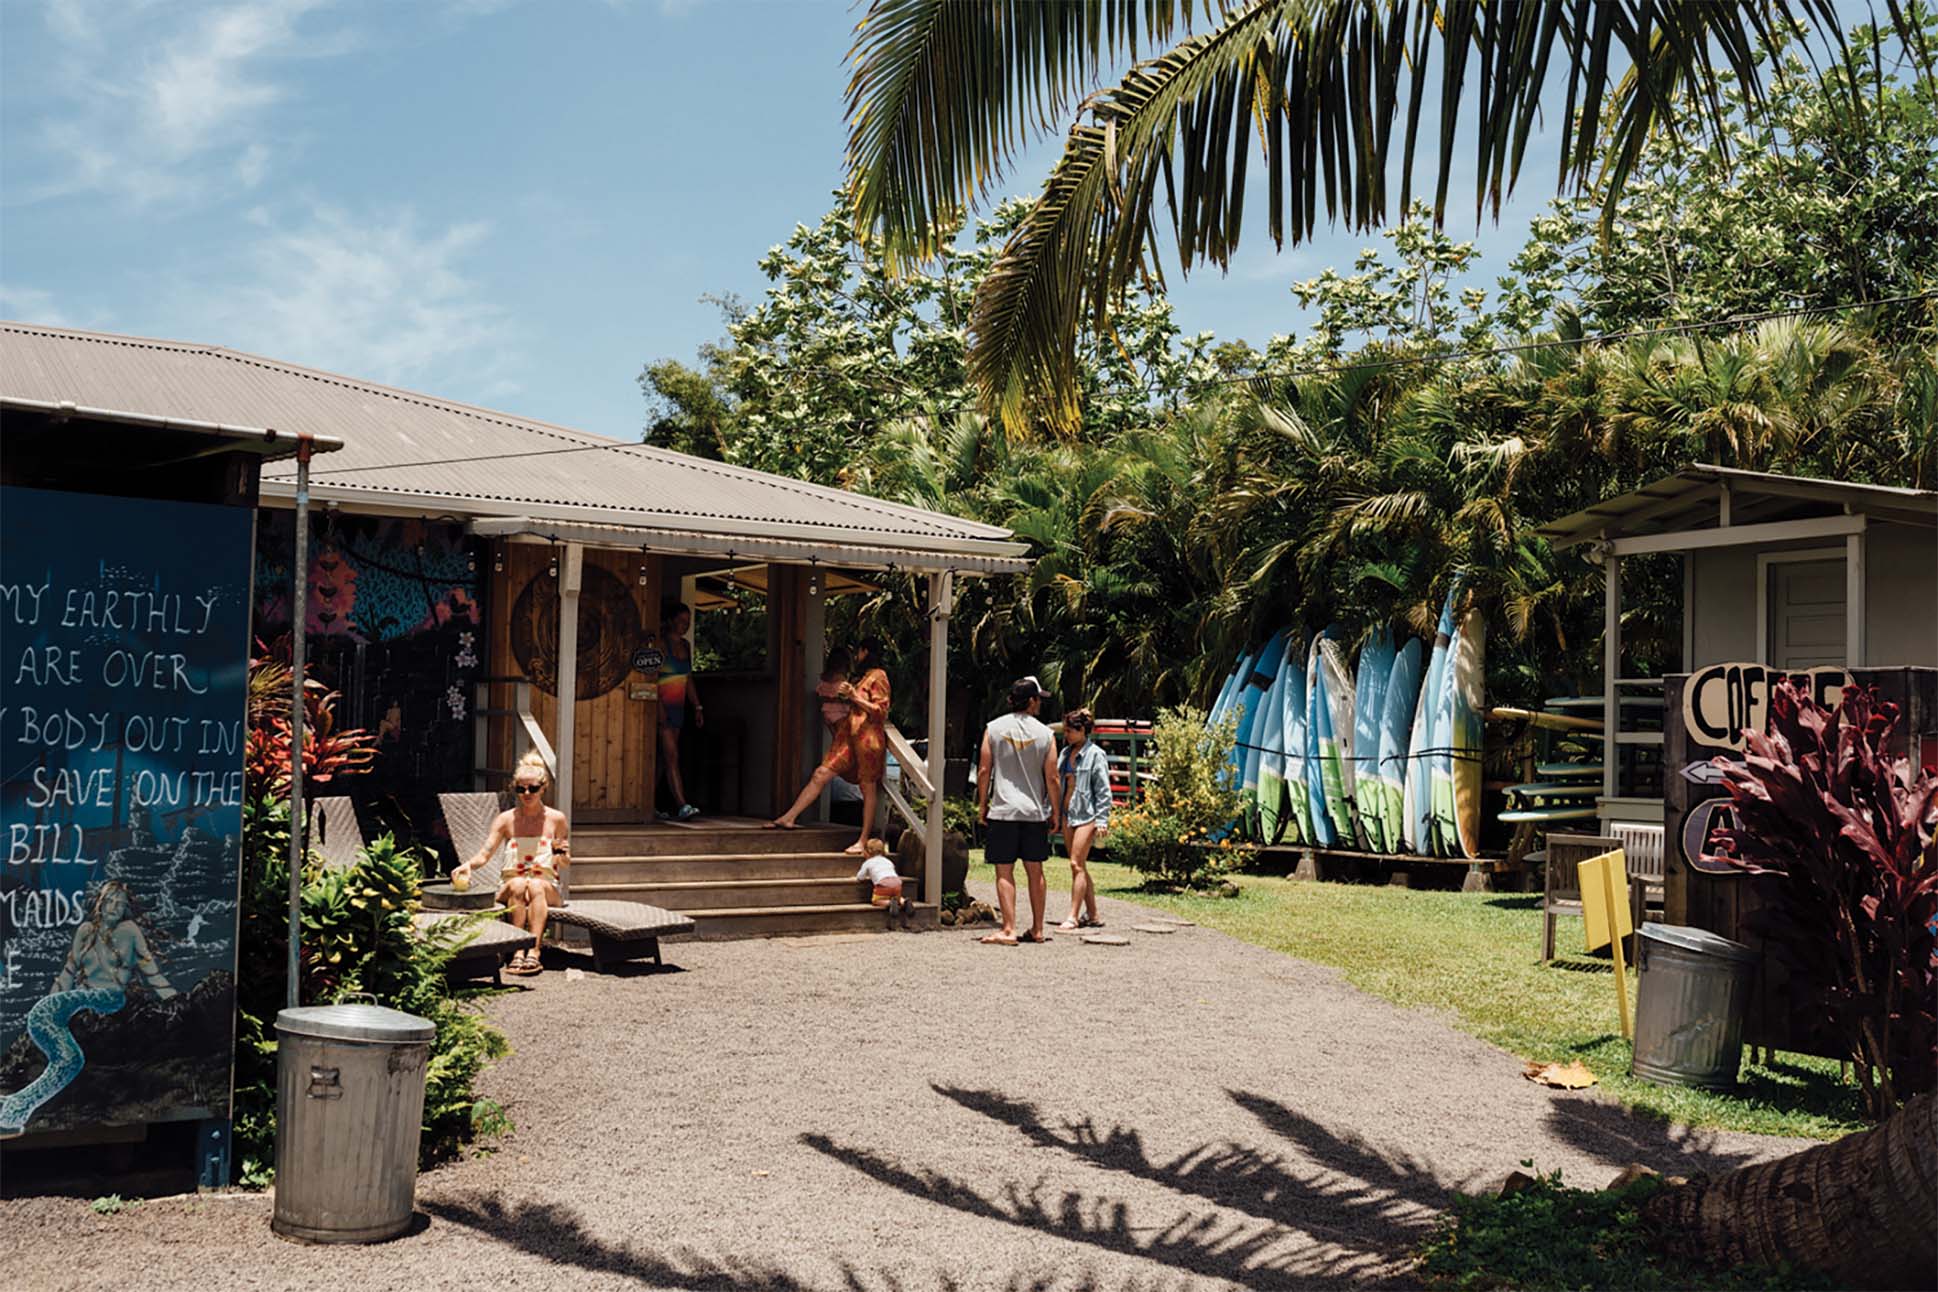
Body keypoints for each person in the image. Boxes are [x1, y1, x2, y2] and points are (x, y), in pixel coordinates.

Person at [454, 750, 571, 976]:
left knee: (535, 885)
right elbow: (485, 853)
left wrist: (564, 856)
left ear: (543, 788)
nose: (526, 793)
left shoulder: (556, 819)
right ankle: (517, 951)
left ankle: (534, 952)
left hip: (546, 886)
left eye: (533, 789)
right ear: (515, 789)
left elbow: (561, 861)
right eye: (521, 789)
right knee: (519, 884)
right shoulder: (506, 819)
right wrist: (468, 865)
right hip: (512, 884)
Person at [772, 636, 891, 854]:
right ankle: (789, 817)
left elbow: (880, 711)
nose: (857, 656)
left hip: (868, 739)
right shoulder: (864, 677)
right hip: (849, 736)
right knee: (821, 773)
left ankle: (863, 840)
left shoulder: (879, 676)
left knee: (867, 786)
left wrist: (854, 696)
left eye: (859, 652)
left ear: (865, 651)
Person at [977, 677, 1060, 946]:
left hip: (1003, 810)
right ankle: (1037, 929)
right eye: (1039, 700)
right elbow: (1053, 777)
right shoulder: (1046, 734)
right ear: (1033, 700)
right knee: (1035, 870)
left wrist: (982, 804)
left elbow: (984, 770)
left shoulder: (994, 728)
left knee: (1004, 870)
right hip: (1034, 812)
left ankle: (1009, 928)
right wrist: (1055, 811)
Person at [1055, 709, 1112, 931]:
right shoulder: (1064, 754)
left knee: (1075, 864)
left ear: (1082, 730)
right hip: (1068, 814)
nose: (1066, 735)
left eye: (1069, 731)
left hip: (1086, 815)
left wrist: (1102, 820)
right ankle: (1094, 914)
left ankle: (1073, 916)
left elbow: (1103, 790)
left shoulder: (1095, 755)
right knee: (1080, 866)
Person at [656, 600, 705, 821]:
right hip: (663, 706)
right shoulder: (661, 644)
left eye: (688, 621)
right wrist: (658, 708)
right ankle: (682, 805)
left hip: (679, 707)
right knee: (672, 756)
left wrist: (697, 706)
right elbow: (652, 678)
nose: (685, 625)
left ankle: (650, 804)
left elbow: (688, 678)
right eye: (681, 621)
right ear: (671, 621)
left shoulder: (686, 646)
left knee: (663, 760)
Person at [853, 837, 912, 930]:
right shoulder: (888, 861)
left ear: (867, 852)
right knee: (897, 896)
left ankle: (889, 903)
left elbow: (860, 877)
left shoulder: (868, 862)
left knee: (875, 900)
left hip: (883, 884)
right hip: (897, 883)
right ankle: (904, 901)